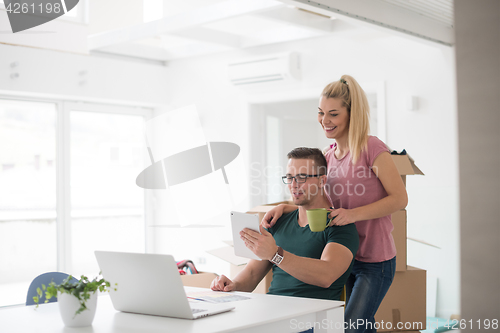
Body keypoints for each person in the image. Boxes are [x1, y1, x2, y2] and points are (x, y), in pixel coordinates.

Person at [262, 75, 408, 333]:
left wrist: (352, 214)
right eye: (320, 113)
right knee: (360, 325)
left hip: (374, 261)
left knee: (352, 325)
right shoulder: (328, 156)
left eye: (333, 114)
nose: (324, 121)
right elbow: (319, 198)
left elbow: (400, 198)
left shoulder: (371, 148)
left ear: (352, 114)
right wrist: (286, 207)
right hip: (343, 255)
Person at [211, 147, 359, 302]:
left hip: (311, 318)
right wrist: (232, 285)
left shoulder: (340, 225)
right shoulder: (278, 221)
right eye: (290, 178)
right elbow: (252, 274)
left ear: (322, 181)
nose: (293, 185)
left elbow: (326, 275)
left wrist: (275, 254)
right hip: (273, 311)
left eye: (302, 177)